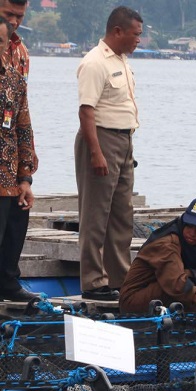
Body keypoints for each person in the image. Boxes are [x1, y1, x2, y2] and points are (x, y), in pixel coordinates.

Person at [75, 6, 143, 301]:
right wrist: (96, 153)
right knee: (95, 214)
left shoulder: (122, 61)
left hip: (124, 140)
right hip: (100, 139)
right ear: (118, 31)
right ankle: (93, 281)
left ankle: (119, 277)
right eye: (135, 34)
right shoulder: (94, 62)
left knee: (121, 214)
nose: (138, 40)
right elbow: (86, 111)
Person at [0, 0, 38, 301]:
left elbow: (22, 120)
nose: (13, 22)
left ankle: (8, 282)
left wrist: (26, 175)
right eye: (7, 15)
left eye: (19, 17)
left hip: (10, 162)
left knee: (16, 221)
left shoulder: (20, 58)